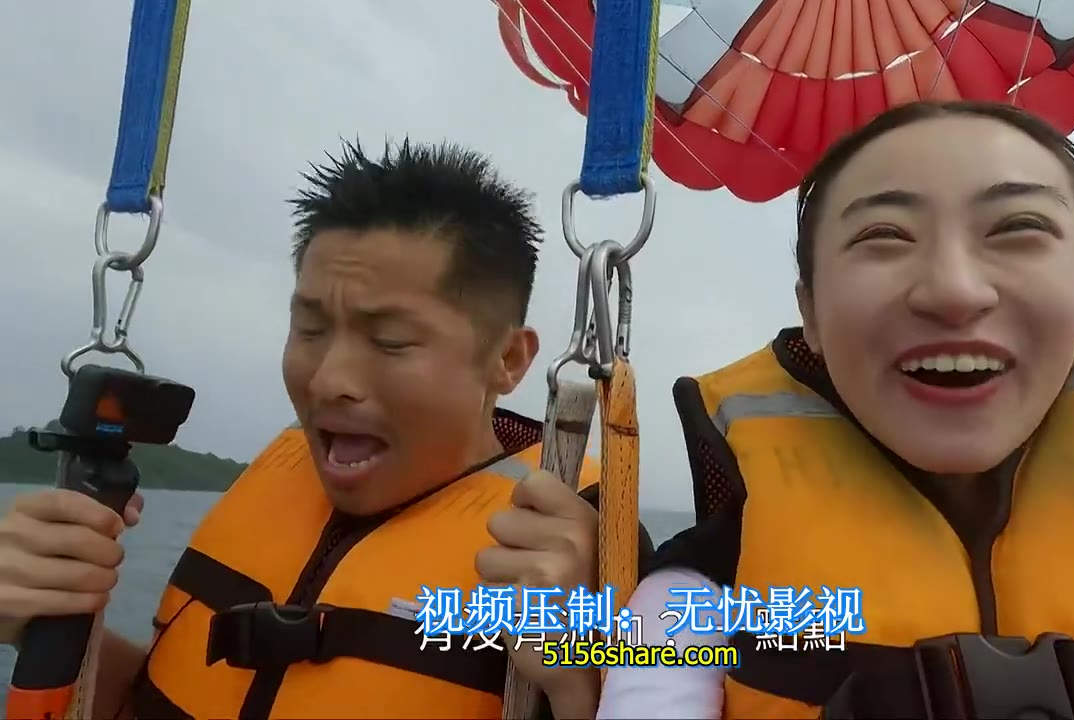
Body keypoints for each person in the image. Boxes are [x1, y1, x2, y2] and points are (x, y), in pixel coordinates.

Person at [596, 101, 1074, 719]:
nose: (954, 290)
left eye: (1018, 227)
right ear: (811, 313)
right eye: (885, 236)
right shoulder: (701, 584)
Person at [0, 140, 651, 719]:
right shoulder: (279, 470)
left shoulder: (586, 547)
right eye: (309, 329)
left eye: (390, 341)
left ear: (507, 360)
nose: (328, 378)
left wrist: (585, 691)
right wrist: (50, 623)